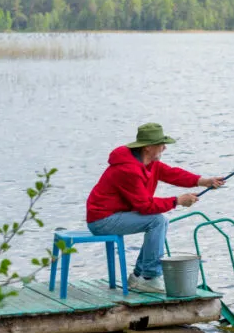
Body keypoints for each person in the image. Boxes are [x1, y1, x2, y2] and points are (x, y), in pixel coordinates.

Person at [86, 122, 225, 293]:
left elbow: (173, 174)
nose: (164, 148)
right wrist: (177, 201)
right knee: (157, 221)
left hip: (116, 215)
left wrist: (204, 181)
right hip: (102, 221)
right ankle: (149, 277)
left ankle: (138, 276)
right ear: (148, 148)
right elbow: (144, 206)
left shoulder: (149, 163)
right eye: (161, 144)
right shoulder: (128, 169)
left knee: (159, 221)